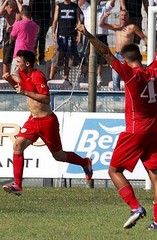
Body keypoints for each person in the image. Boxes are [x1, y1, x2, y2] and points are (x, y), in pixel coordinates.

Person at [76, 16, 157, 230]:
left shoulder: (130, 74)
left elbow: (105, 52)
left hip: (136, 130)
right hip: (156, 130)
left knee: (114, 171)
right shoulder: (154, 70)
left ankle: (135, 207)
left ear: (125, 58)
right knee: (156, 176)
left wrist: (87, 34)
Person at [2, 50, 93, 196]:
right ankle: (18, 185)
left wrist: (25, 92)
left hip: (47, 122)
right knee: (17, 145)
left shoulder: (38, 76)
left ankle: (84, 162)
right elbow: (20, 88)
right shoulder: (21, 72)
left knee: (59, 156)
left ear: (27, 64)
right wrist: (10, 80)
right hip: (33, 120)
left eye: (19, 62)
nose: (17, 64)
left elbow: (45, 99)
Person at [99, 9, 147, 91]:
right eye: (121, 15)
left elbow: (144, 37)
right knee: (115, 79)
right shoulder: (116, 27)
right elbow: (101, 24)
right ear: (118, 17)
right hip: (117, 55)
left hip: (127, 57)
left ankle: (130, 95)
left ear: (128, 17)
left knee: (129, 78)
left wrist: (149, 46)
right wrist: (104, 16)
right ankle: (116, 99)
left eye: (125, 15)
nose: (123, 17)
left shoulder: (132, 27)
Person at [78, 0, 116, 87]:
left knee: (101, 57)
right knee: (86, 56)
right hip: (89, 35)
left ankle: (98, 75)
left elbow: (112, 2)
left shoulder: (104, 6)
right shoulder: (87, 7)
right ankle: (84, 75)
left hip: (101, 35)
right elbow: (80, 2)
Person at [49, 0, 80, 85]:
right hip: (61, 36)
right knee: (56, 56)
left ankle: (66, 77)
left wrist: (79, 35)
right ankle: (51, 77)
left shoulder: (75, 6)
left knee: (69, 58)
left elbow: (78, 21)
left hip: (71, 35)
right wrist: (53, 33)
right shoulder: (59, 6)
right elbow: (55, 20)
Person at [10, 4, 38, 75]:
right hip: (30, 54)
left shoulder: (18, 24)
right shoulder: (35, 25)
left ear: (22, 13)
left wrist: (15, 22)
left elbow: (12, 36)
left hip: (19, 54)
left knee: (14, 74)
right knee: (27, 76)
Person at [29, 0, 55, 65]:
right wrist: (30, 14)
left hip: (46, 15)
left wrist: (53, 16)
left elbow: (53, 2)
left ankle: (41, 58)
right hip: (36, 14)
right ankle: (33, 56)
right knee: (37, 35)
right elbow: (31, 1)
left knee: (43, 37)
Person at [0, 0, 22, 74]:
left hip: (18, 36)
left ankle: (16, 75)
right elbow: (0, 13)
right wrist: (6, 1)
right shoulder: (7, 8)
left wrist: (18, 2)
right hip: (8, 34)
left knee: (18, 57)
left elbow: (23, 13)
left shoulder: (19, 10)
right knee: (6, 58)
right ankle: (5, 74)